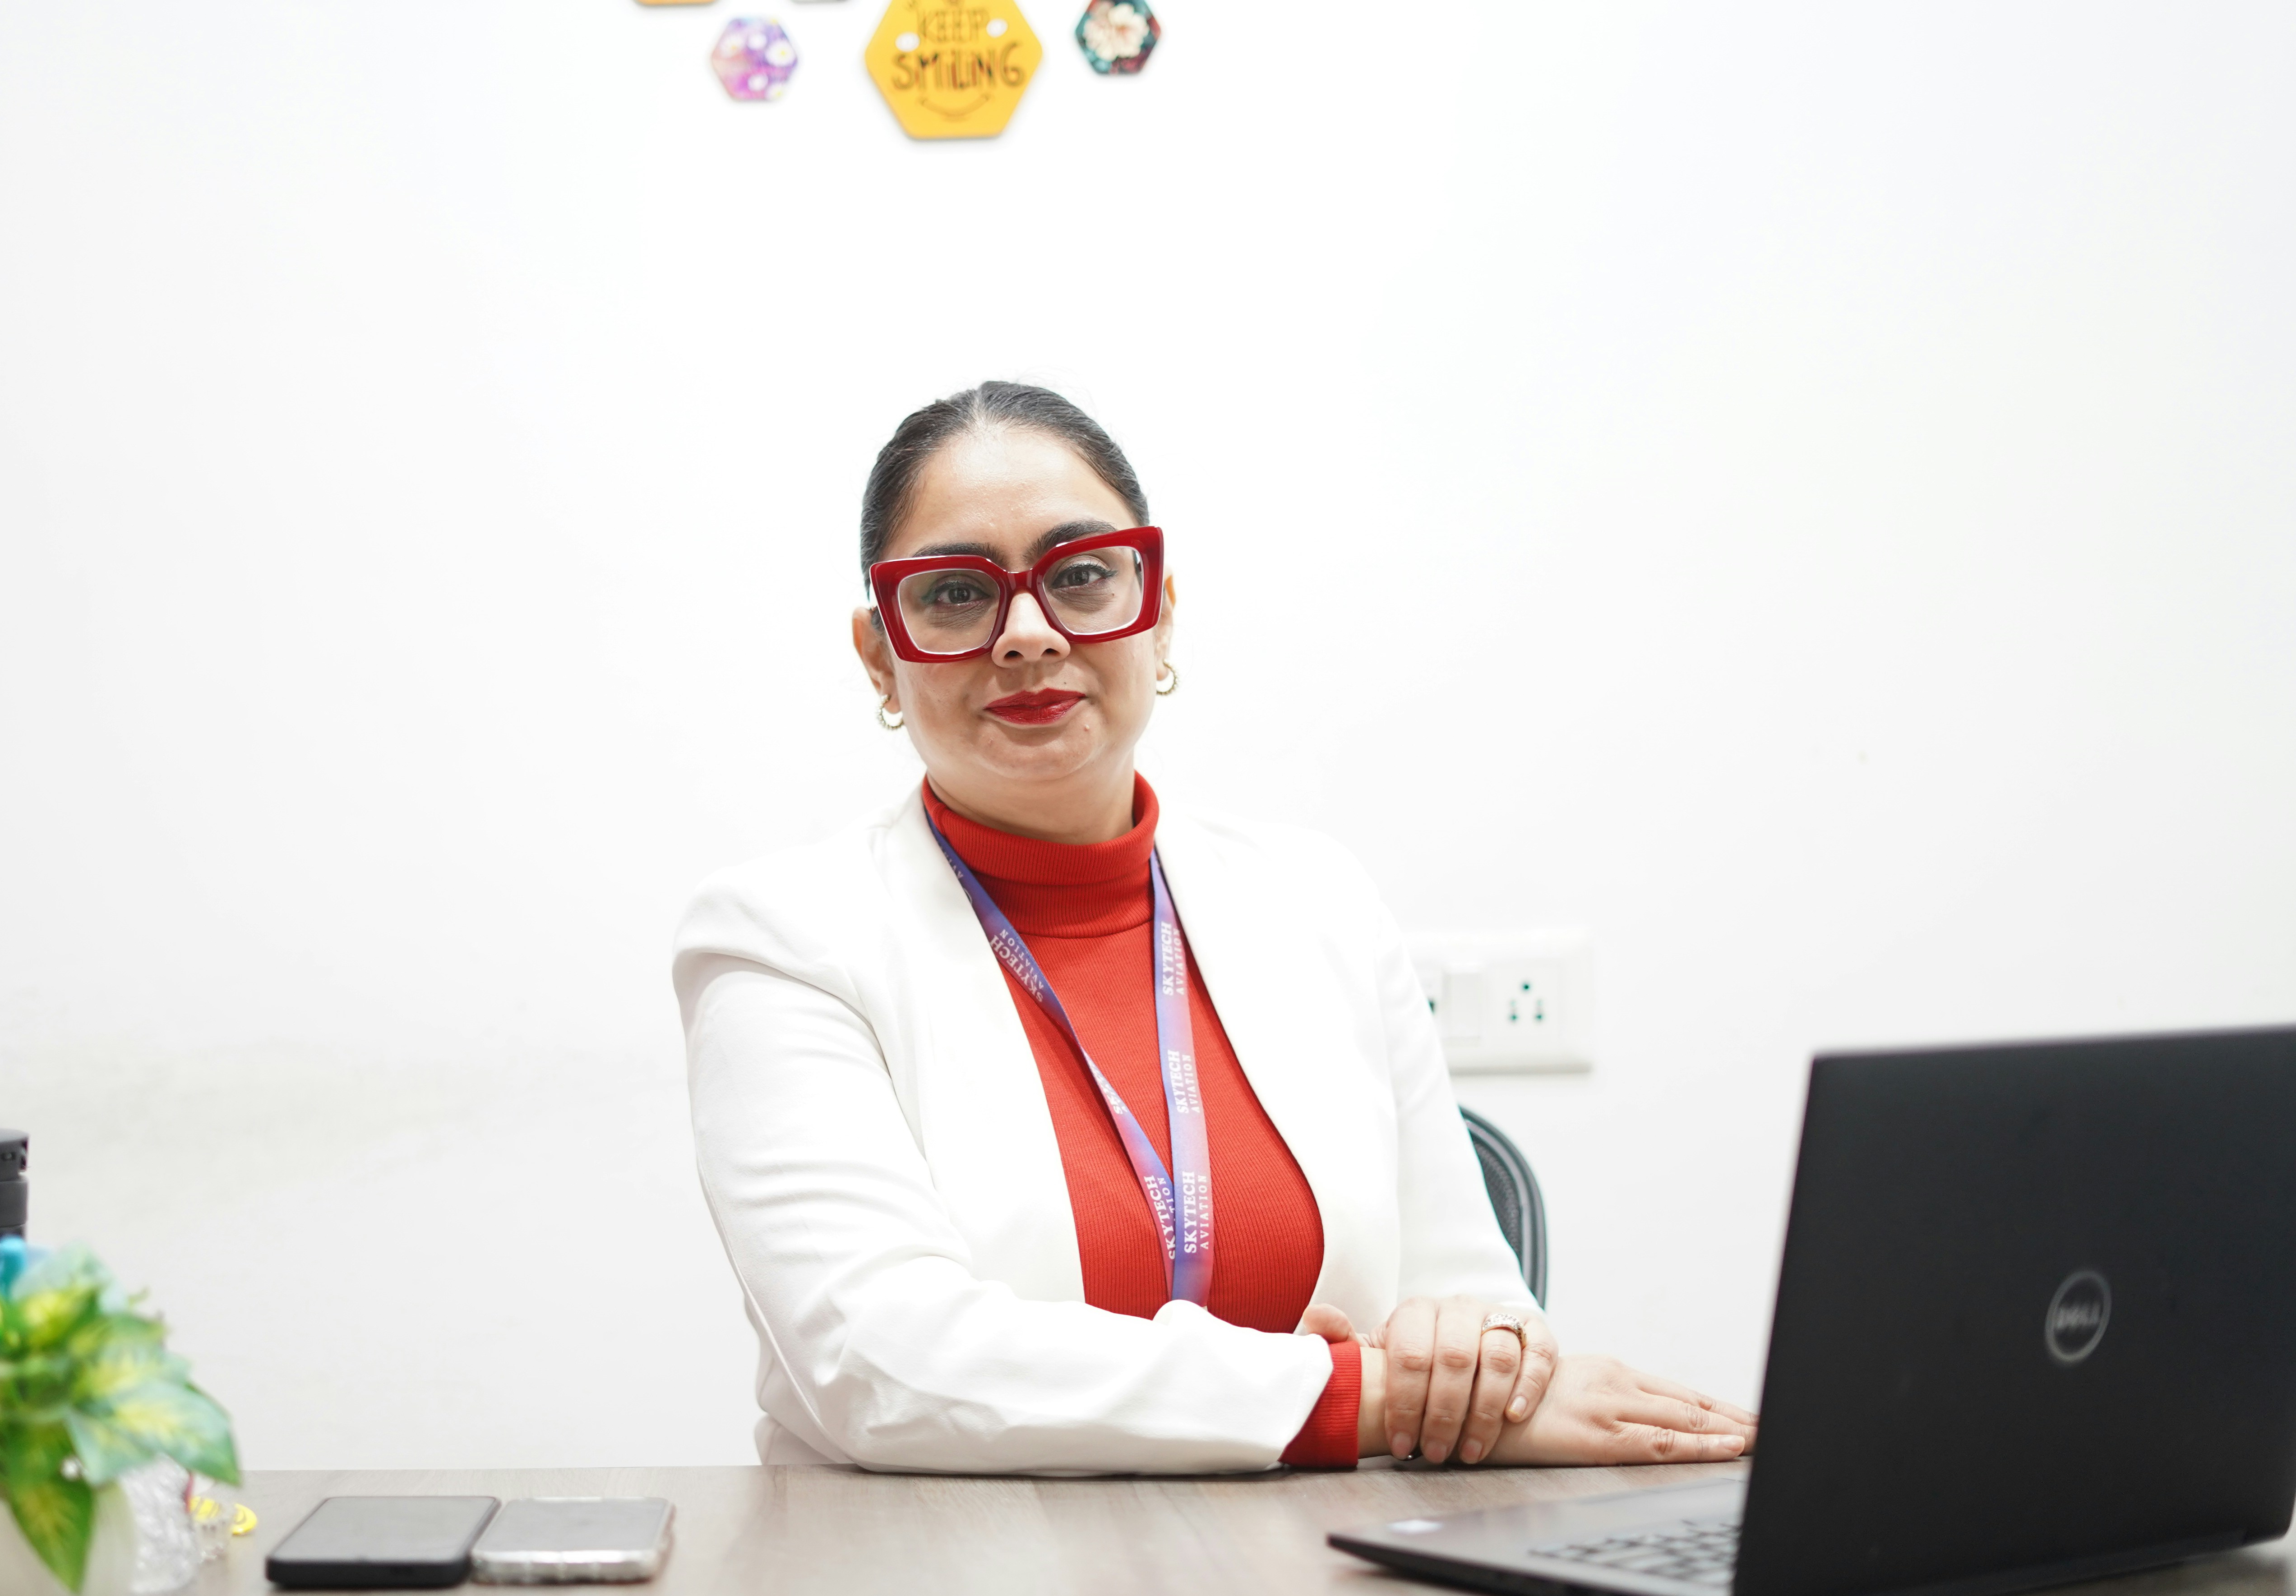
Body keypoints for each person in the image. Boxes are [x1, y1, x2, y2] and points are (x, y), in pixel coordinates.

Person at [673, 381, 1757, 1475]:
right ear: (880, 654)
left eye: (1083, 574)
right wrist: (1365, 1391)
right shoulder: (783, 942)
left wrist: (1477, 1348)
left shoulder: (1316, 898)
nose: (1031, 633)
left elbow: (1477, 1305)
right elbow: (891, 1366)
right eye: (957, 592)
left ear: (1162, 610)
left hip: (1331, 1594)